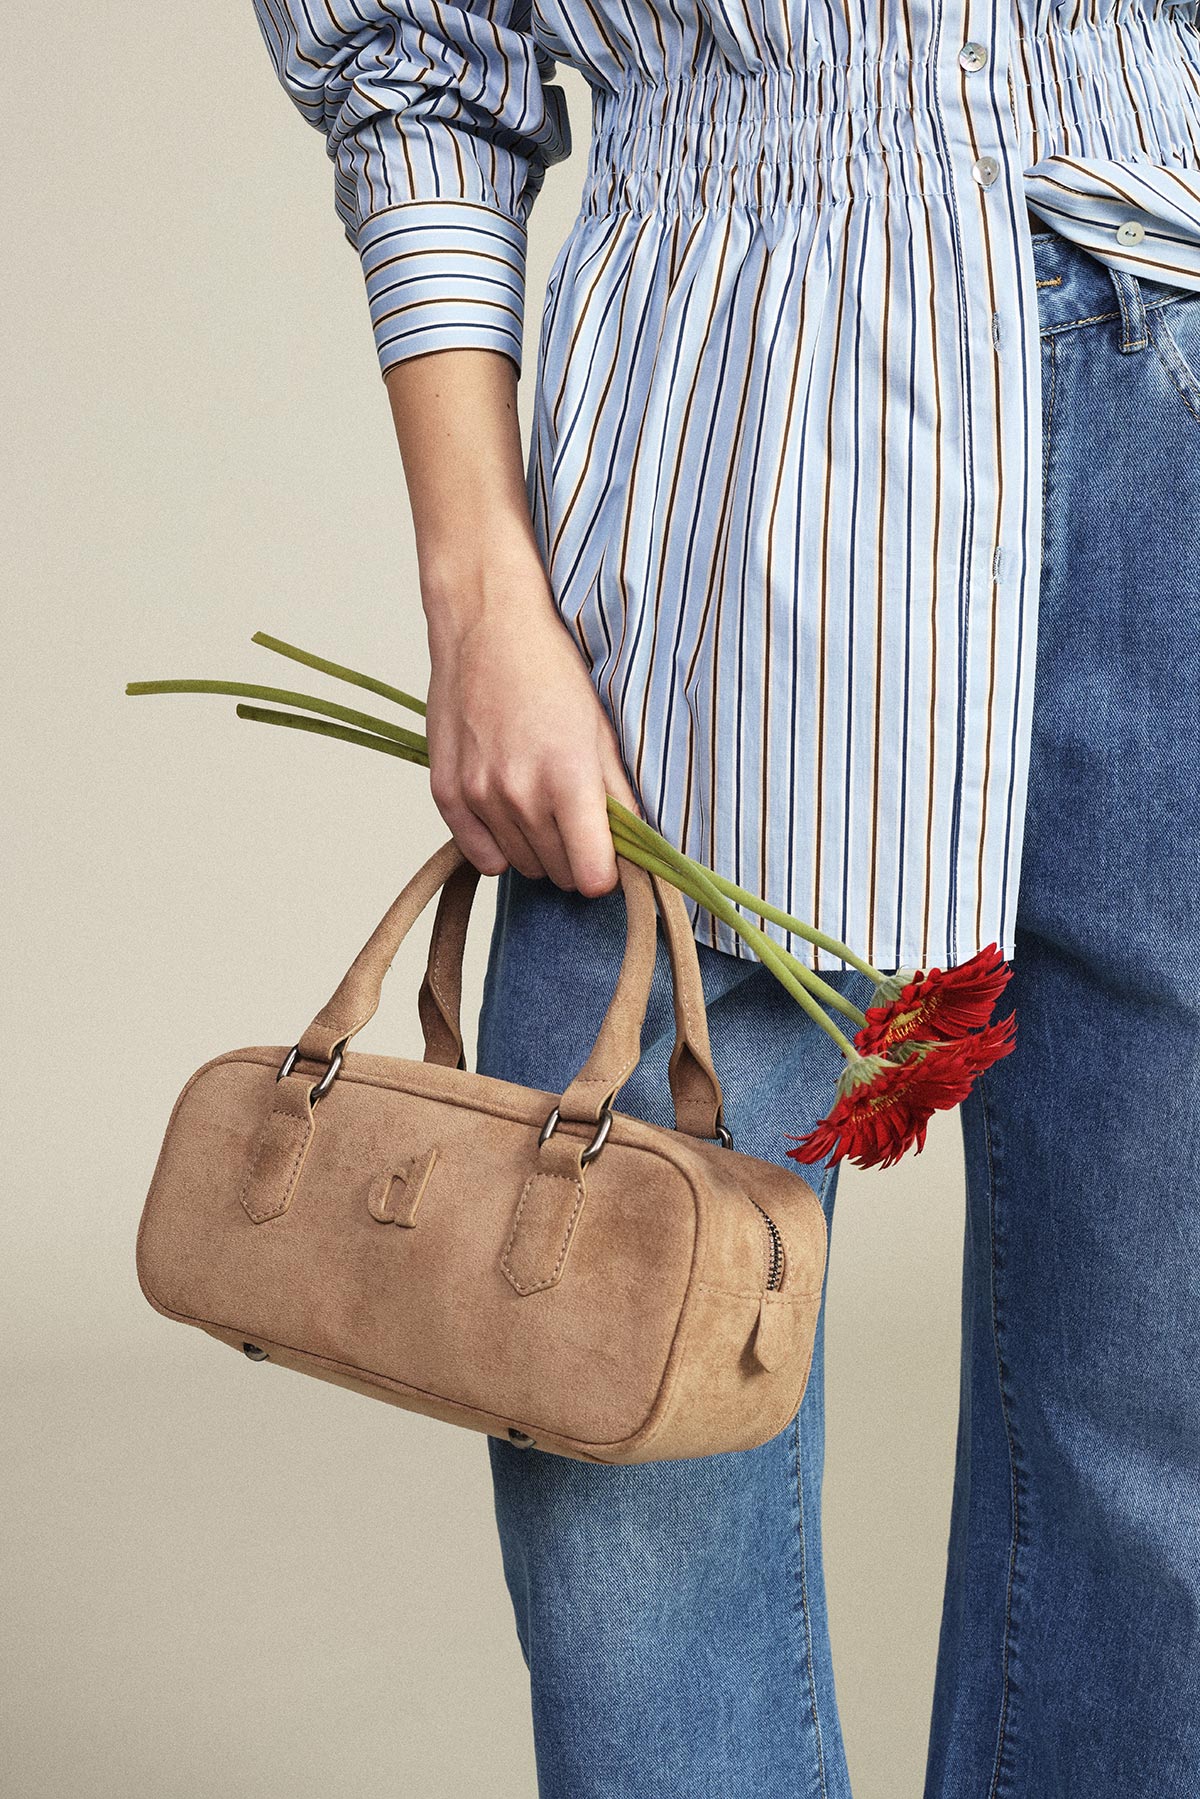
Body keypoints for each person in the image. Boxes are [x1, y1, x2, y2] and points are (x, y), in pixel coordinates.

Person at [248, 0, 1200, 1791]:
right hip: (732, 448)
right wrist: (478, 592)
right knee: (620, 1415)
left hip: (1177, 404)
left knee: (1167, 1469)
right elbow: (408, 55)